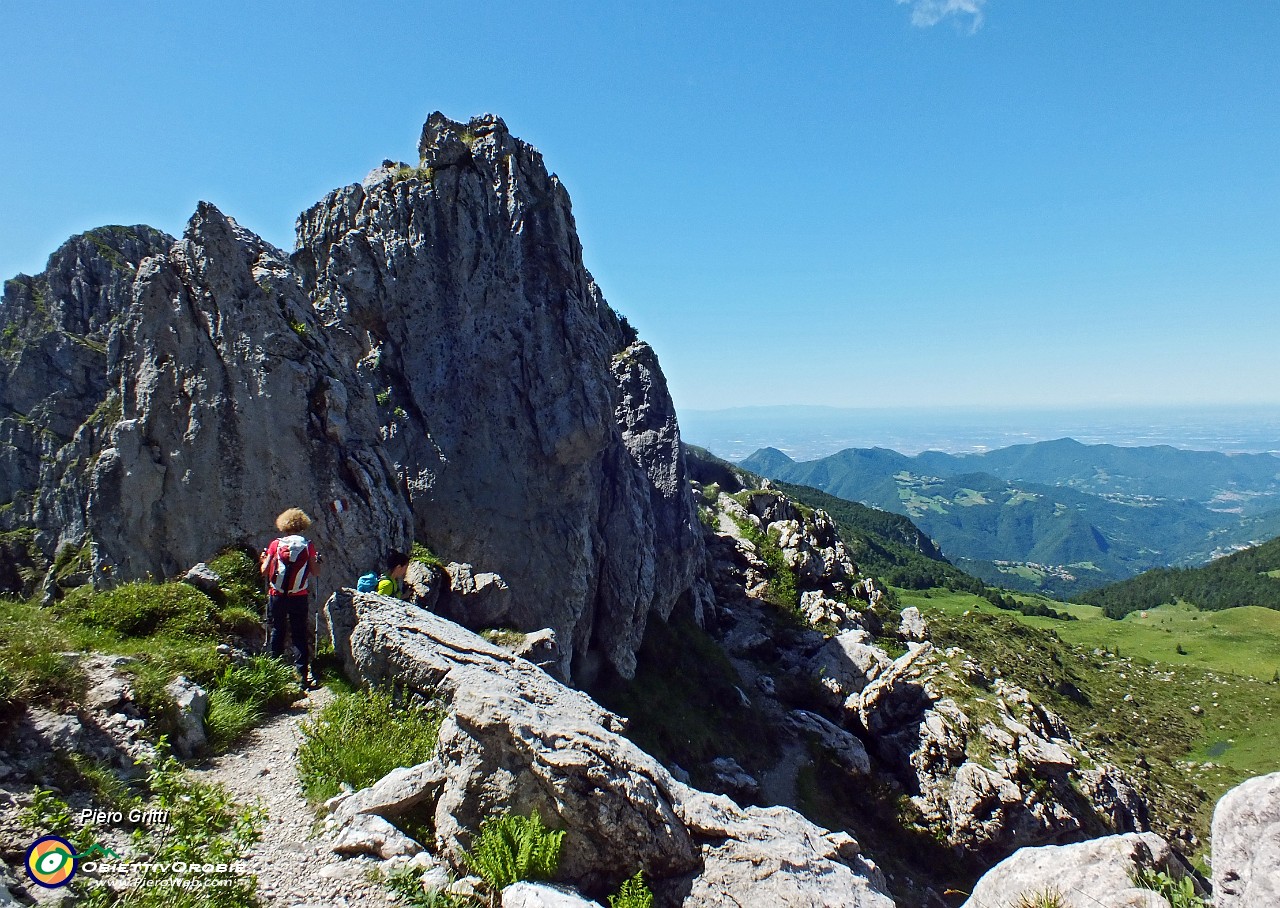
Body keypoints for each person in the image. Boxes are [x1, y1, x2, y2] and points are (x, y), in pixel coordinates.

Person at [260, 508, 320, 687]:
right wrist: (317, 563)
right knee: (299, 633)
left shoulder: (275, 544)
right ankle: (302, 675)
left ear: (283, 525)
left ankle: (273, 672)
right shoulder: (308, 545)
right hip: (299, 595)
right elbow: (315, 572)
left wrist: (262, 559)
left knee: (278, 630)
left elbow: (264, 571)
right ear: (302, 525)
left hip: (277, 595)